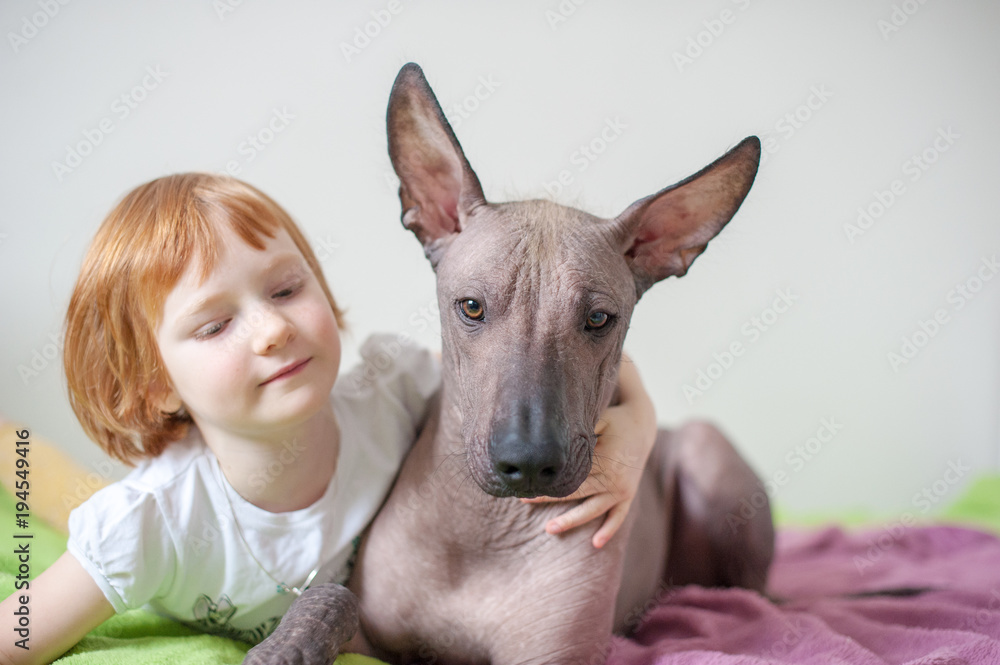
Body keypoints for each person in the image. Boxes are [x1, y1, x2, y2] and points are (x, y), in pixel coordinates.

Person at [0, 173, 657, 664]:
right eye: (215, 323)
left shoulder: (387, 391)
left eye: (286, 288)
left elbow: (533, 346)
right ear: (156, 385)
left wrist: (636, 427)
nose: (271, 328)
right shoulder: (150, 521)